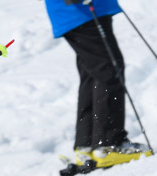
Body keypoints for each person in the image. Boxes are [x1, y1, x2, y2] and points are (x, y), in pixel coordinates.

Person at [44, 0, 149, 167]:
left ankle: (87, 145)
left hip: (84, 11)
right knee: (108, 69)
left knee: (94, 74)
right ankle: (109, 144)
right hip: (80, 10)